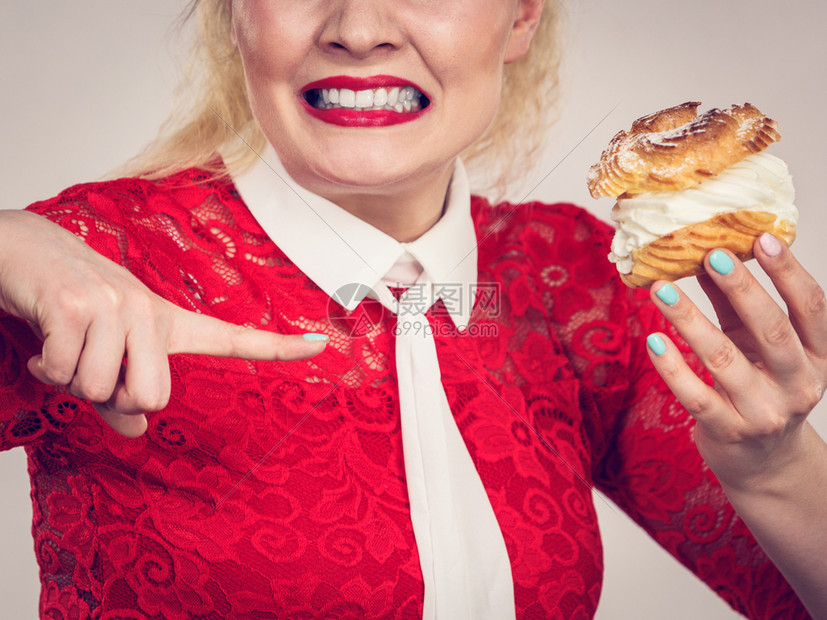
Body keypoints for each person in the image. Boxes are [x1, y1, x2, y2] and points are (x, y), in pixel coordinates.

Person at [1, 1, 826, 618]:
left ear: (519, 17)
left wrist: (775, 469)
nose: (359, 28)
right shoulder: (95, 264)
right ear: (234, 15)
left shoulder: (568, 280)